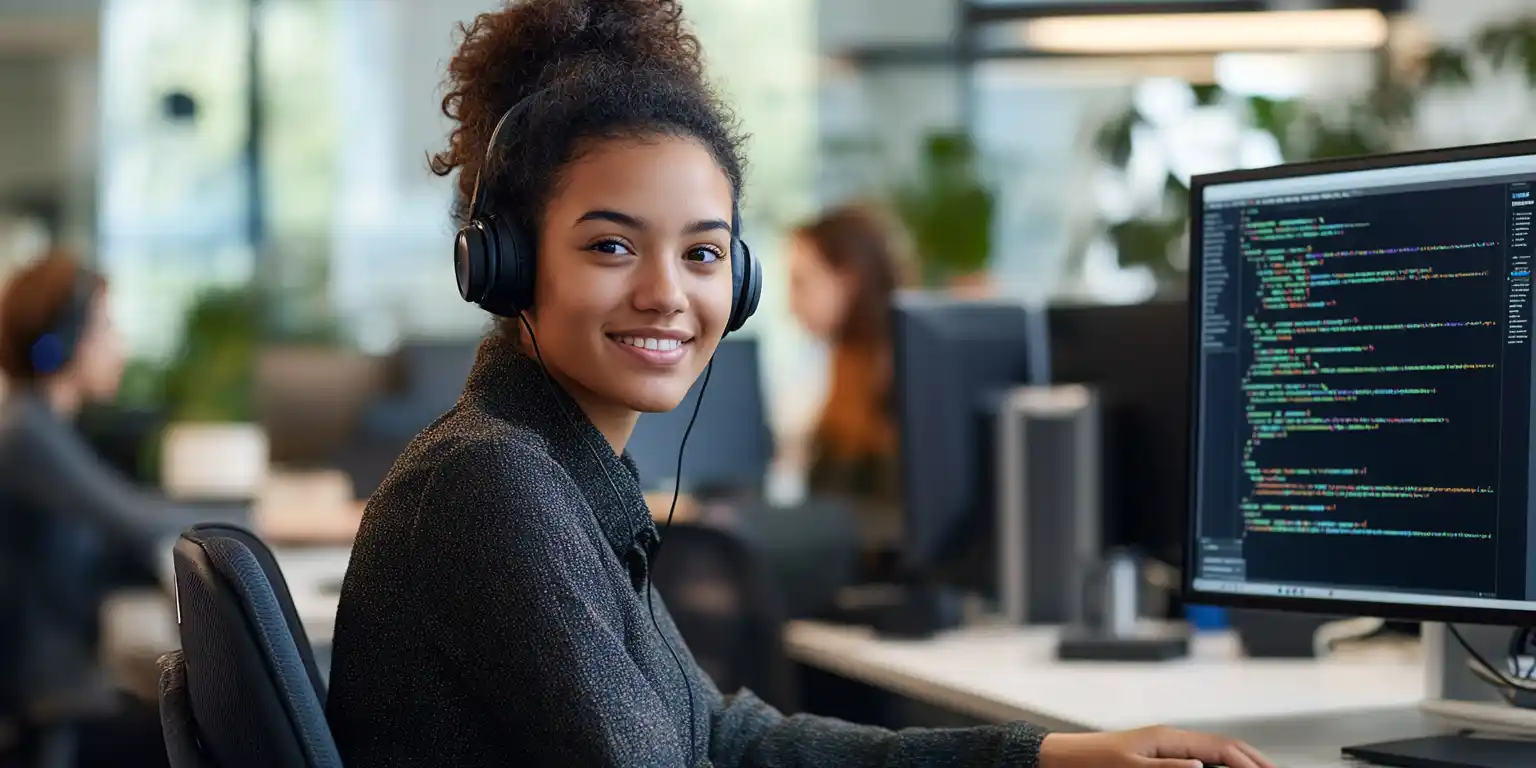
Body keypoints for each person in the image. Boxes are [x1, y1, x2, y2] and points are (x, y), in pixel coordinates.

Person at [325, 2, 1274, 767]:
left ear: (736, 285)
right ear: (506, 265)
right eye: (612, 245)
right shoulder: (492, 485)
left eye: (703, 252)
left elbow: (729, 739)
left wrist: (1050, 755)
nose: (666, 293)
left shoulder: (550, 476)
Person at [0, 253, 191, 767]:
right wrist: (263, 514)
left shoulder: (43, 425)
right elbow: (132, 517)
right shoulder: (25, 432)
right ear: (61, 341)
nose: (119, 346)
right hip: (50, 720)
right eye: (105, 326)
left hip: (63, 699)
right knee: (222, 736)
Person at [783, 202, 912, 550]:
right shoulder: (838, 373)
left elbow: (894, 522)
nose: (790, 305)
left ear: (849, 279)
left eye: (801, 283)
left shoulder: (898, 380)